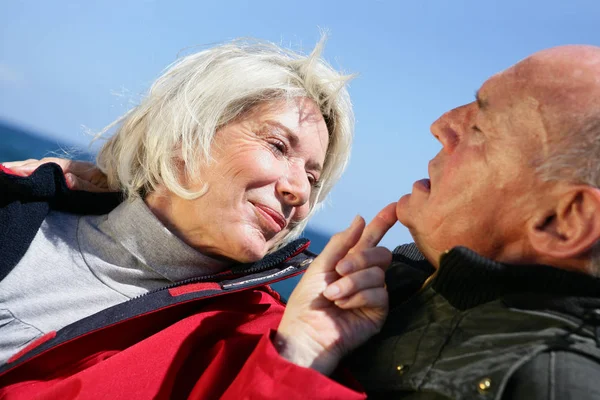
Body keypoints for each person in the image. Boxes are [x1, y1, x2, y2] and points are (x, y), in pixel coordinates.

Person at [0, 38, 395, 399]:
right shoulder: (18, 206)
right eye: (277, 146)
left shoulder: (261, 337)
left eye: (312, 177)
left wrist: (299, 356)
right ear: (186, 135)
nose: (300, 191)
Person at [345, 45, 600, 399]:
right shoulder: (391, 282)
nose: (441, 125)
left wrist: (298, 357)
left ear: (563, 221)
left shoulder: (550, 385)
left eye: (480, 127)